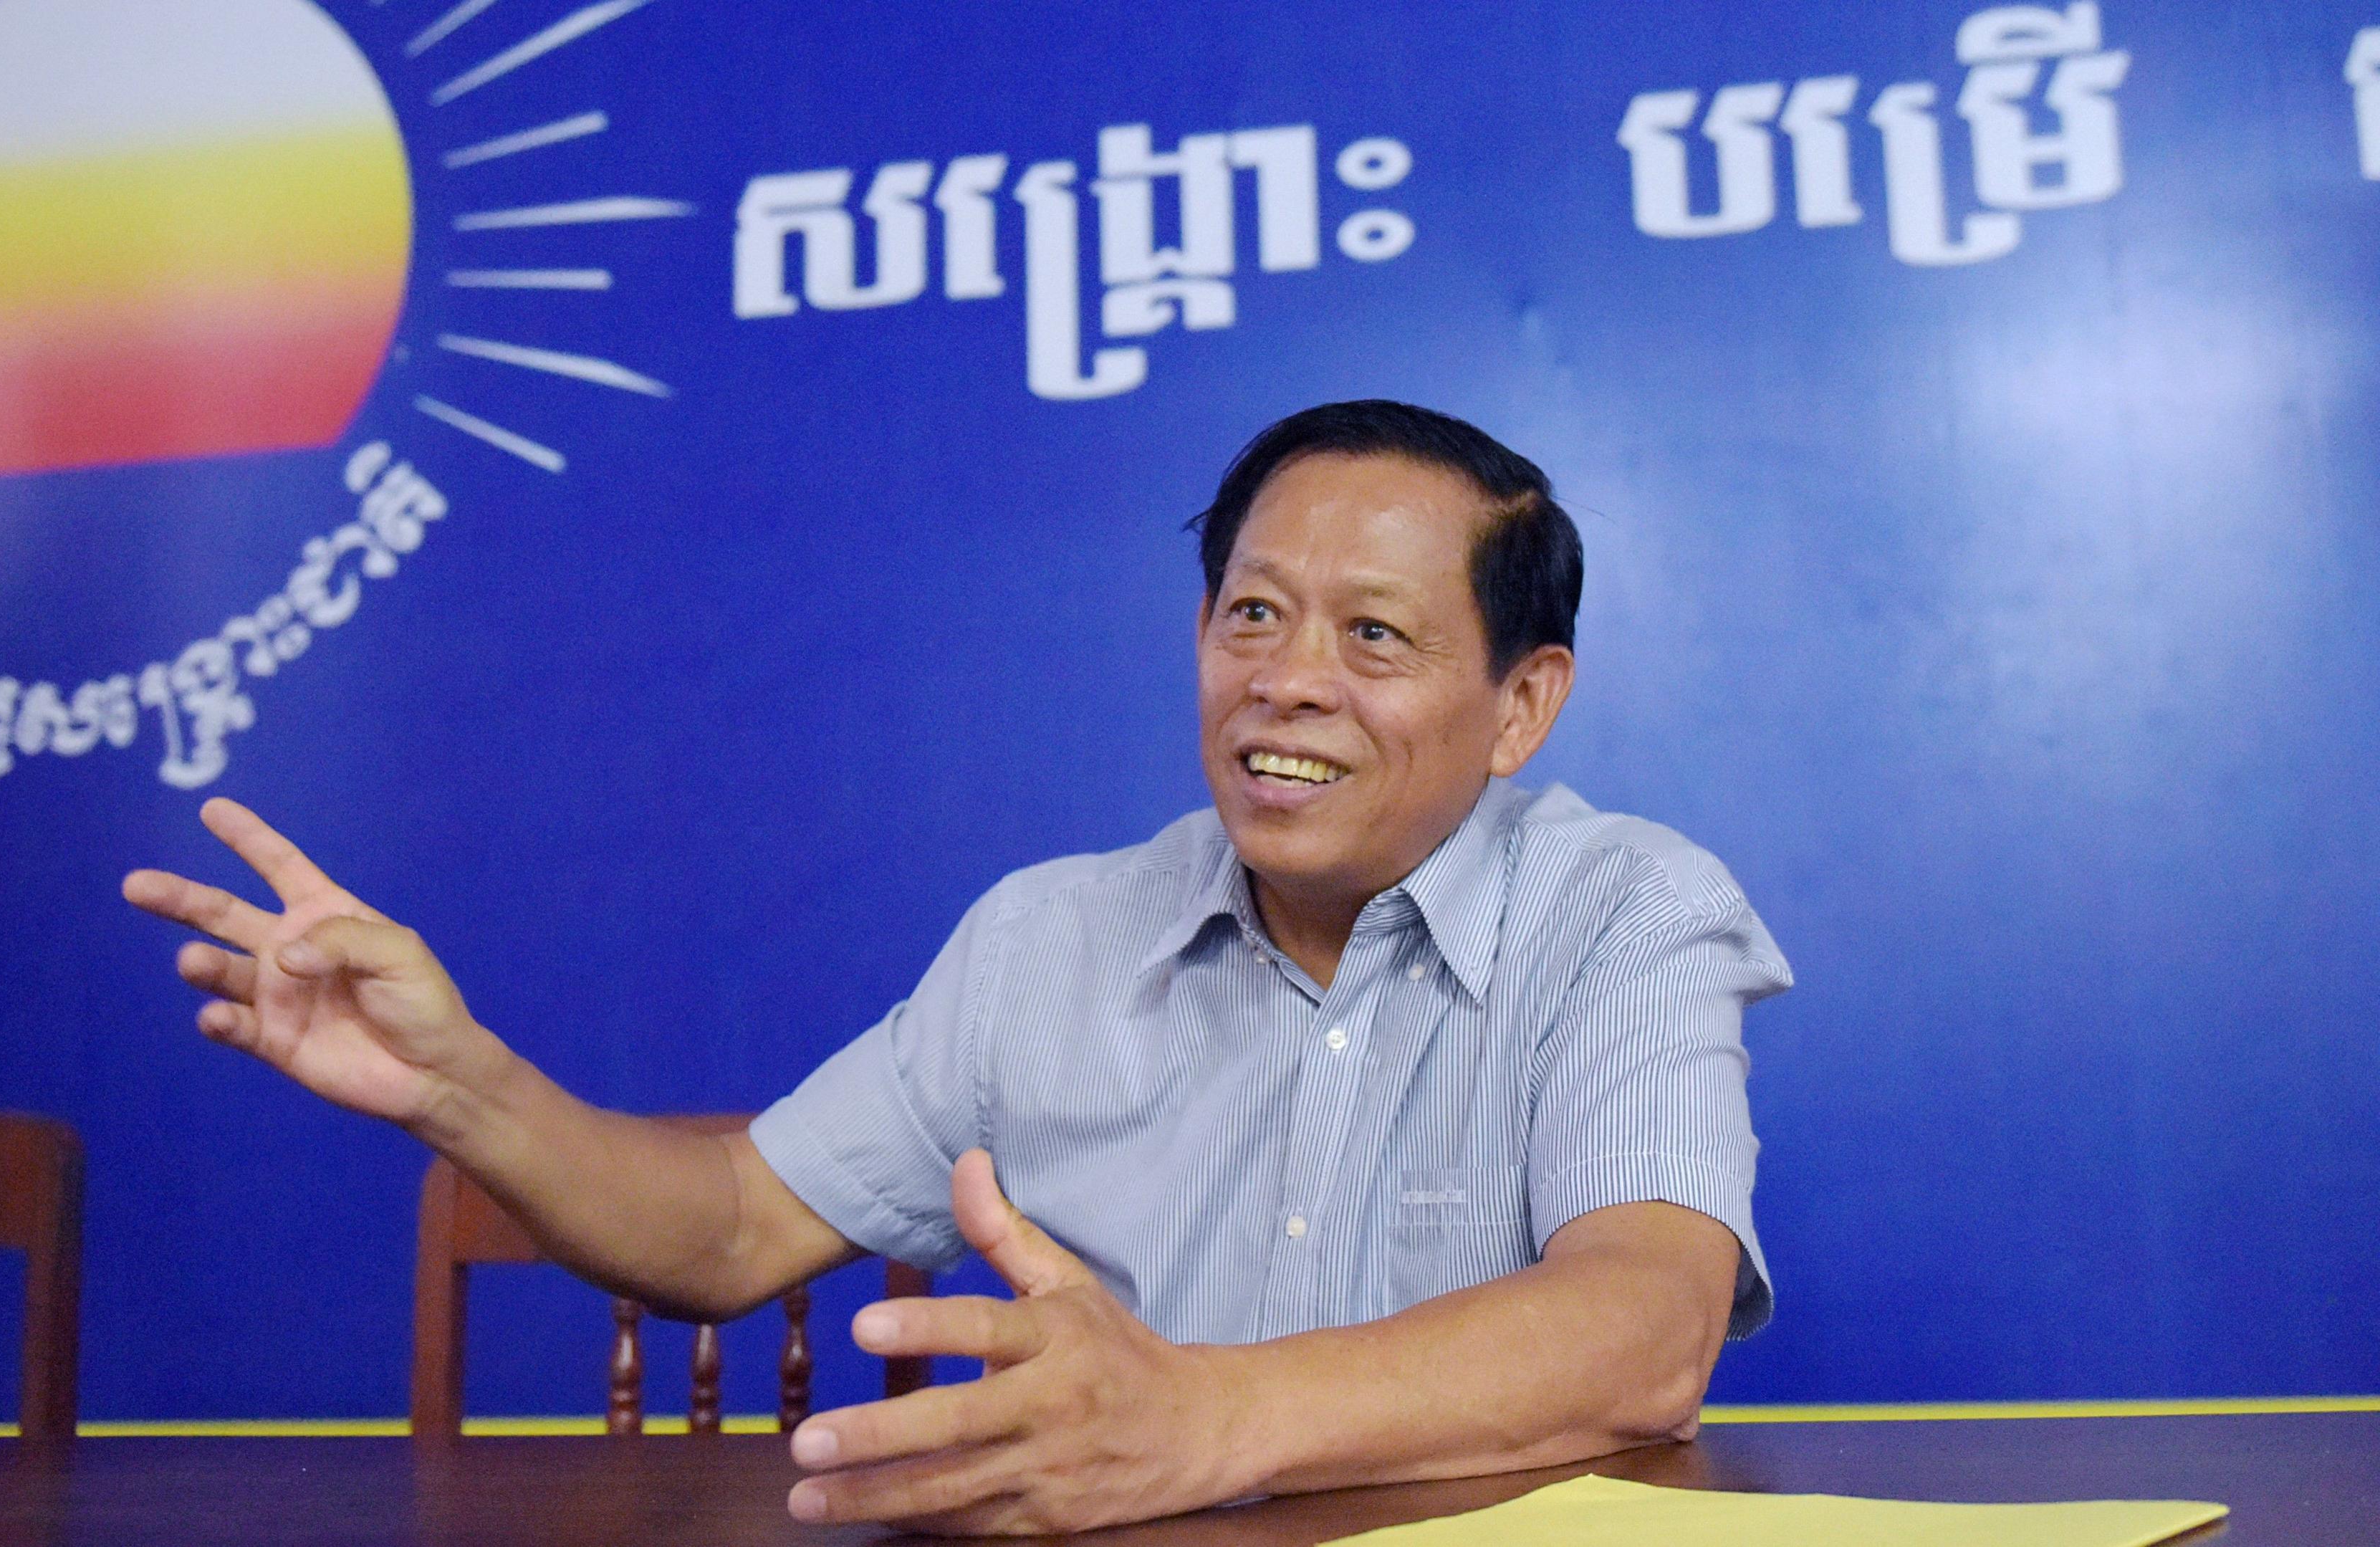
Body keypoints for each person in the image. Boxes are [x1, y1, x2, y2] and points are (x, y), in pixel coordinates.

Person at [124, 400, 1790, 1535]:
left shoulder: (1627, 907)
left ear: (1520, 705)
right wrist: (462, 1087)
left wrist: (1199, 1419)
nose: (1286, 682)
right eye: (1251, 617)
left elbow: (1645, 1327)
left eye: (1375, 636)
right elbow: (727, 1231)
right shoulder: (1048, 936)